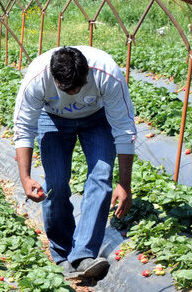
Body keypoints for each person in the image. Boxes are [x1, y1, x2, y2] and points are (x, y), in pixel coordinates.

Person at [13, 45, 136, 279]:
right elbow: (23, 127)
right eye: (66, 89)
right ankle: (62, 253)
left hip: (97, 119)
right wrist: (25, 177)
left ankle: (83, 255)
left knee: (101, 177)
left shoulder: (107, 73)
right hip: (53, 120)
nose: (73, 93)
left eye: (78, 87)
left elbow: (124, 128)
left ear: (87, 74)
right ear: (54, 78)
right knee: (56, 185)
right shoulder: (37, 78)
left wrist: (125, 184)